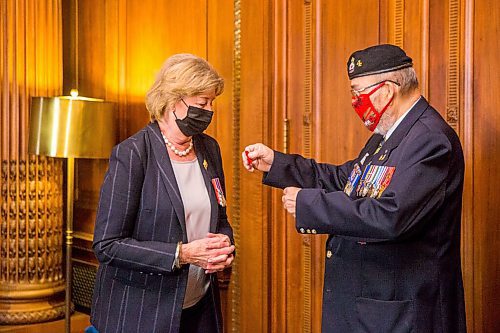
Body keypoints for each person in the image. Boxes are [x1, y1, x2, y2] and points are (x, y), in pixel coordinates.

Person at [243, 44, 466, 332]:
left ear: (386, 90)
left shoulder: (429, 139)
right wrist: (278, 164)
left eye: (358, 92)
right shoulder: (387, 135)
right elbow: (345, 180)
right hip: (371, 309)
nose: (355, 101)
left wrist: (308, 205)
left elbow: (391, 215)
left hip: (401, 314)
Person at [91, 53, 234, 333]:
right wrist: (182, 254)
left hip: (199, 308)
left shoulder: (209, 149)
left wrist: (225, 245)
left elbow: (220, 218)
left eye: (212, 103)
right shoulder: (133, 154)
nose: (208, 111)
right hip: (142, 312)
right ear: (173, 100)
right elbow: (107, 244)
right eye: (202, 103)